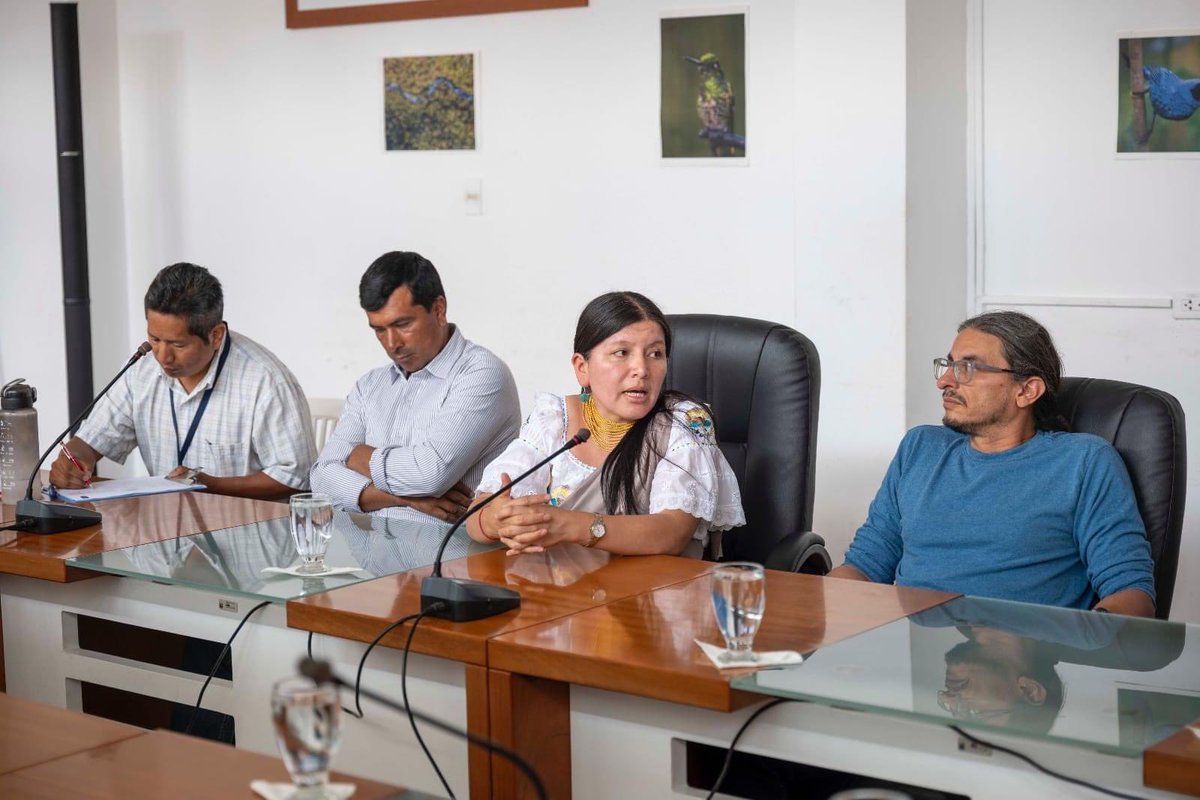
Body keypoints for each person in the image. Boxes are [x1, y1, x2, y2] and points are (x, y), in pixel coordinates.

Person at [830, 311, 1155, 617]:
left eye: (968, 368)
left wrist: (1075, 648)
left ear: (1027, 390)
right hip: (917, 658)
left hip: (1023, 666)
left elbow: (1131, 594)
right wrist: (809, 610)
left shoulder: (1083, 462)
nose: (944, 381)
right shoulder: (920, 448)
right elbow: (864, 567)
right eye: (948, 364)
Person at [466, 291, 745, 557]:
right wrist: (496, 520)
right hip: (560, 593)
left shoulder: (684, 422)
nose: (642, 369)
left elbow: (671, 532)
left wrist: (571, 525)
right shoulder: (554, 419)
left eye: (655, 354)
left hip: (652, 596)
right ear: (582, 367)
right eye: (621, 353)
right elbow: (478, 513)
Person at [48, 263, 316, 499]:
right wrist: (73, 461)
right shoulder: (141, 369)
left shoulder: (265, 381)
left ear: (216, 335)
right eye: (154, 339)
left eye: (178, 344)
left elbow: (297, 479)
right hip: (164, 537)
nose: (163, 356)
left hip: (246, 539)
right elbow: (91, 441)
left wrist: (210, 486)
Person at [310, 251, 520, 522]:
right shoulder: (370, 386)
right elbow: (321, 478)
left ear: (439, 310)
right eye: (379, 330)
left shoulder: (482, 373)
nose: (391, 343)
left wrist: (360, 456)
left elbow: (430, 474)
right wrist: (404, 497)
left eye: (402, 324)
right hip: (376, 556)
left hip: (454, 556)